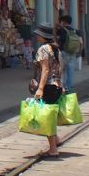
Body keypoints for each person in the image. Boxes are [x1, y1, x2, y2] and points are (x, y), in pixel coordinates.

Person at [33, 22, 66, 157]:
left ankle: (53, 149)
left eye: (38, 34)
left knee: (47, 117)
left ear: (42, 36)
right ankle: (56, 140)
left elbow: (45, 70)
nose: (36, 36)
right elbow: (60, 68)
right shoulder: (55, 48)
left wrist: (40, 88)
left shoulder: (43, 49)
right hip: (56, 85)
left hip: (49, 86)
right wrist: (61, 84)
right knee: (51, 115)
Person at [56, 15, 82, 93]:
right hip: (72, 53)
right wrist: (79, 52)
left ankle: (61, 88)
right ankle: (69, 89)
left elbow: (57, 41)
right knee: (70, 72)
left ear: (63, 22)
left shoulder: (61, 30)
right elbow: (81, 42)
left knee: (60, 71)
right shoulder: (76, 31)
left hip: (63, 53)